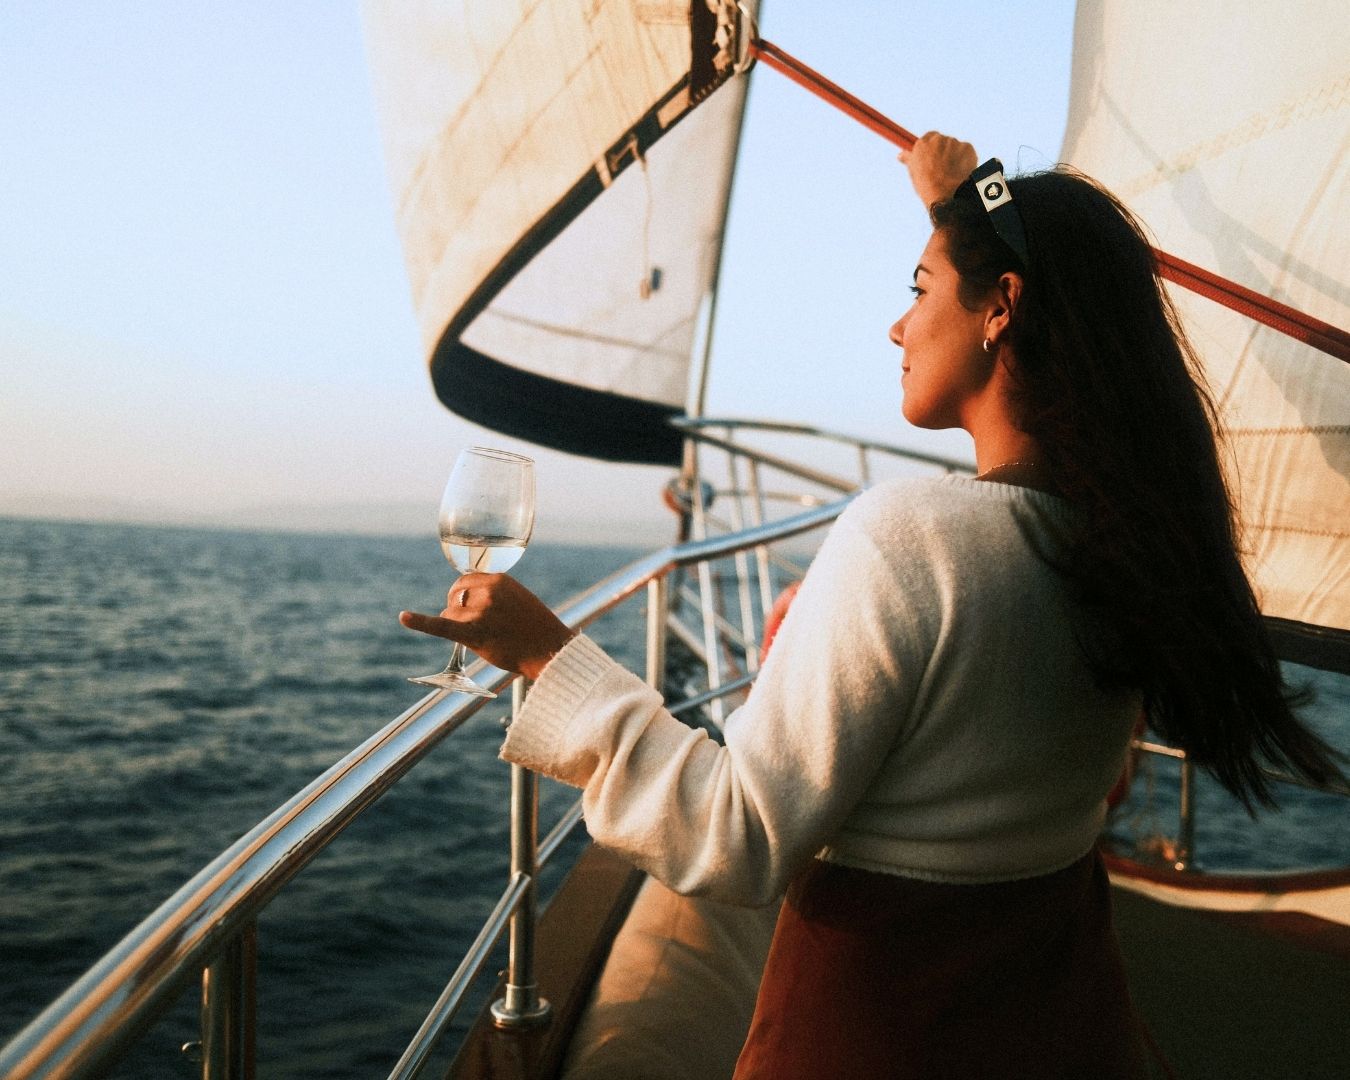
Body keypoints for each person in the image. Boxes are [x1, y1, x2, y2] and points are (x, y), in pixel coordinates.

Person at [400, 133, 1344, 1078]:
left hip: (877, 1039)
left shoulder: (909, 537)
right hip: (1063, 1027)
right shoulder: (1121, 543)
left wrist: (547, 658)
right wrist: (955, 206)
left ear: (1001, 308)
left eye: (918, 291)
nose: (898, 328)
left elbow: (736, 837)